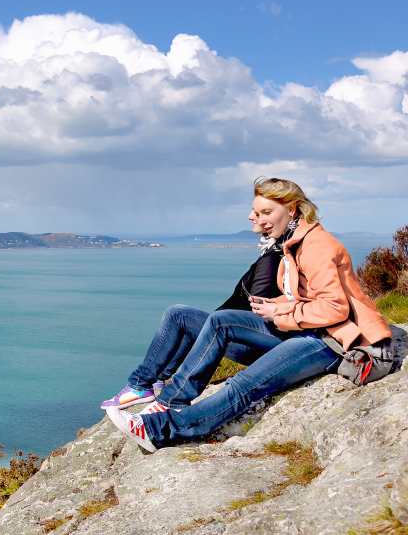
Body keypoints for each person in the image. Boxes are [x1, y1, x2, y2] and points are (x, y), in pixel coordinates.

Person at [105, 177, 392, 452]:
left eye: (266, 211)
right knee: (220, 321)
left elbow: (335, 308)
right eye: (256, 212)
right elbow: (307, 298)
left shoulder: (316, 245)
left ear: (291, 209)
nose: (257, 218)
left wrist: (278, 312)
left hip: (344, 344)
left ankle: (159, 430)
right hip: (317, 331)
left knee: (244, 385)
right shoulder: (294, 241)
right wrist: (278, 307)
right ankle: (171, 401)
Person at [100, 209, 286, 410]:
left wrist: (215, 324)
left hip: (252, 345)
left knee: (177, 314)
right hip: (256, 341)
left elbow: (255, 309)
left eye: (259, 213)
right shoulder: (274, 253)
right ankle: (156, 382)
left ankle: (139, 385)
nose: (251, 216)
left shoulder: (272, 259)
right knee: (189, 320)